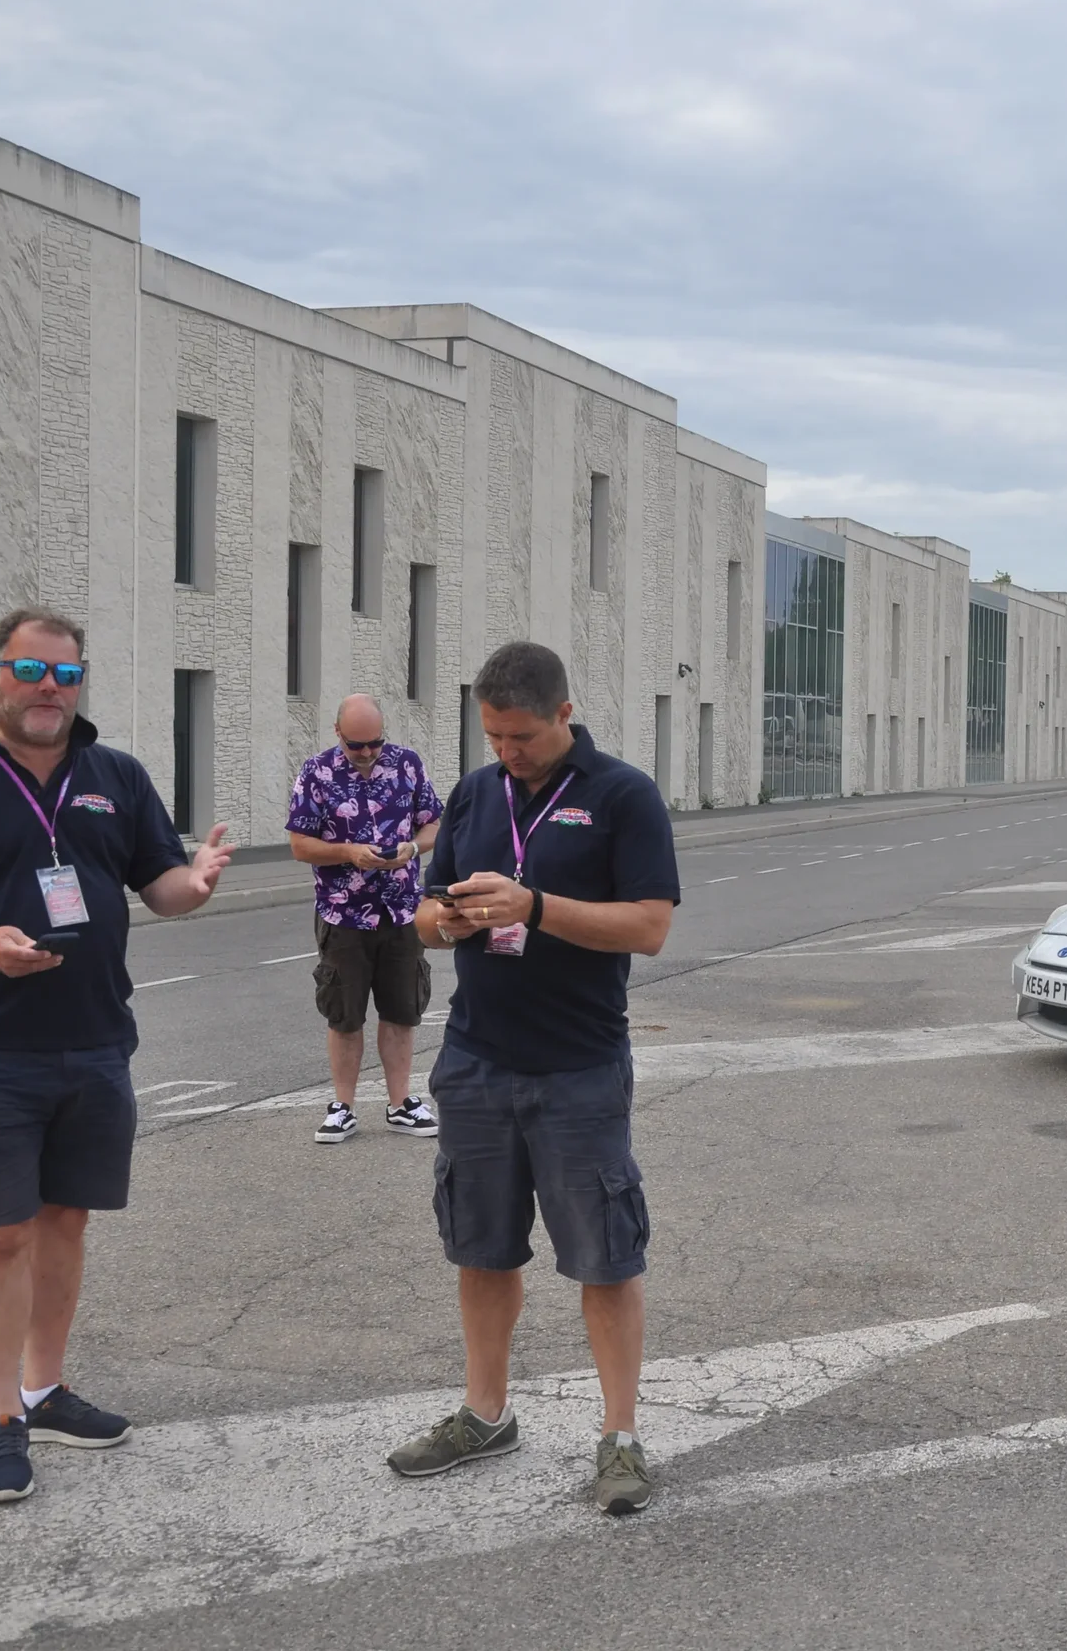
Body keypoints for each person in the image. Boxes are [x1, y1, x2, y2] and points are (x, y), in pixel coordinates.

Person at [0, 608, 235, 1502]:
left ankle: (44, 1389)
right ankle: (1, 1419)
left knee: (66, 1220)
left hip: (98, 1038)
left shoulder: (115, 776)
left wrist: (193, 884)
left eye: (67, 676)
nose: (49, 689)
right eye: (31, 671)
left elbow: (157, 885)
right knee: (2, 1233)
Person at [388, 642, 679, 1514]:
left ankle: (620, 1437)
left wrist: (534, 907)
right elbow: (422, 917)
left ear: (564, 714)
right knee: (480, 1250)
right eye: (493, 736)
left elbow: (649, 927)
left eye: (521, 736)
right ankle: (486, 1416)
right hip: (476, 1061)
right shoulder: (476, 794)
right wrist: (448, 920)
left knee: (605, 1258)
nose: (506, 752)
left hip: (578, 1067)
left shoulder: (622, 795)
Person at [285, 695, 444, 1143]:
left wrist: (412, 848)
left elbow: (433, 823)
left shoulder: (407, 764)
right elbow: (299, 844)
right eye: (357, 745)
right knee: (344, 1014)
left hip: (402, 910)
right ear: (338, 733)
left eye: (375, 742)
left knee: (402, 1011)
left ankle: (400, 1103)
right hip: (344, 914)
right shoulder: (317, 772)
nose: (368, 752)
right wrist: (349, 853)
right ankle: (343, 1107)